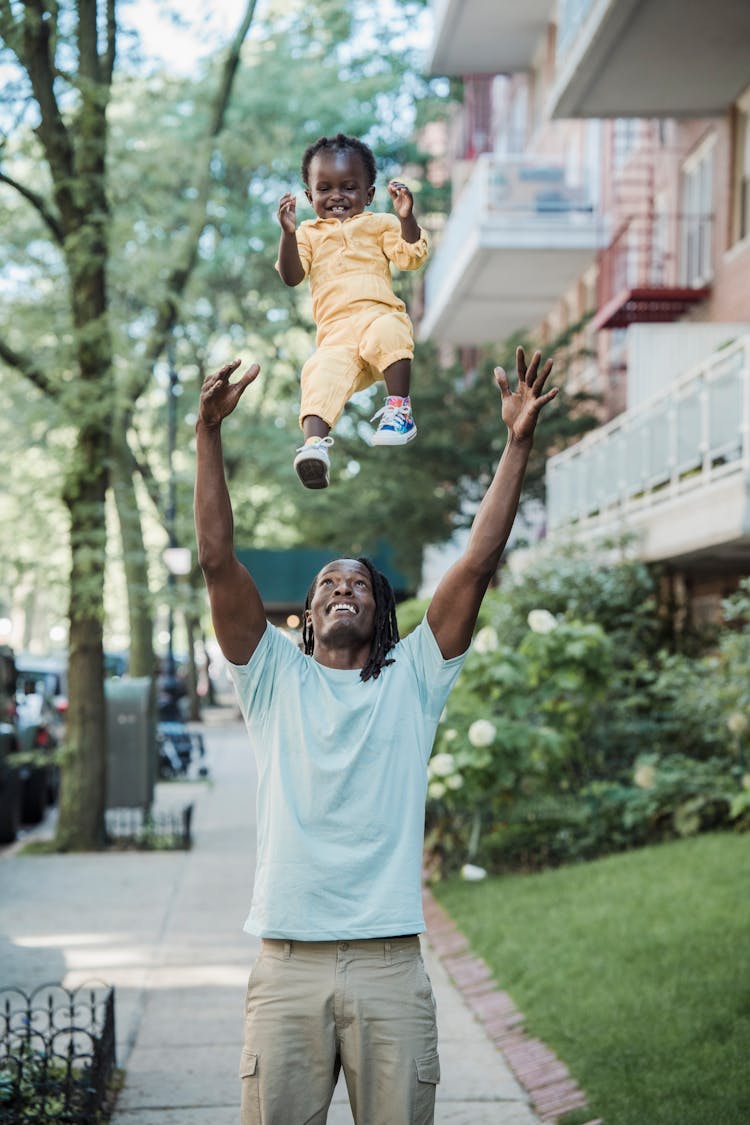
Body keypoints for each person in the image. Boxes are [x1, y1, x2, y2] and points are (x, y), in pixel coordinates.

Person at [194, 346, 557, 1125]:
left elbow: (480, 559)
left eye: (359, 581)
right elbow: (218, 560)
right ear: (305, 616)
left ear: (380, 609)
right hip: (286, 963)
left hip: (392, 964)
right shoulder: (270, 678)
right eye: (328, 584)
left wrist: (517, 439)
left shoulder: (414, 677)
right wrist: (208, 437)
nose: (343, 589)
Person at [277, 133, 428, 489]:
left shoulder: (380, 225)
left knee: (390, 330)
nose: (337, 197)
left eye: (349, 187)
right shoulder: (307, 234)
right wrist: (287, 234)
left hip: (377, 315)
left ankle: (398, 410)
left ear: (369, 193)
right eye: (325, 188)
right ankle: (314, 447)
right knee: (318, 371)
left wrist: (406, 218)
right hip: (337, 336)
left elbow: (411, 257)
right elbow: (291, 275)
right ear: (309, 195)